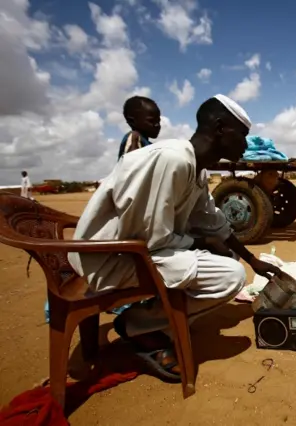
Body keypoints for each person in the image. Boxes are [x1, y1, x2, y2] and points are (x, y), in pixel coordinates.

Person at [68, 94, 282, 381]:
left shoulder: (196, 168)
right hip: (112, 260)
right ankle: (139, 326)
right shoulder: (173, 159)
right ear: (220, 128)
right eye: (242, 135)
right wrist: (202, 244)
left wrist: (253, 260)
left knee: (230, 257)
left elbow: (214, 222)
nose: (245, 145)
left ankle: (161, 321)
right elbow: (148, 239)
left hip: (139, 251)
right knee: (230, 276)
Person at [117, 96, 162, 160]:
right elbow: (132, 165)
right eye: (151, 121)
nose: (157, 125)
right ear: (132, 121)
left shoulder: (147, 144)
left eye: (158, 121)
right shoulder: (134, 137)